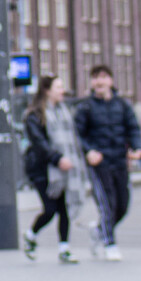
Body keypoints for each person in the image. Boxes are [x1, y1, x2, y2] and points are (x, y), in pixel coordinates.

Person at [74, 64, 141, 261]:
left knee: (122, 205)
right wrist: (89, 151)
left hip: (119, 161)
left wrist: (137, 147)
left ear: (111, 80)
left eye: (103, 77)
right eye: (95, 78)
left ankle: (99, 230)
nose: (99, 82)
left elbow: (133, 128)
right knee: (107, 204)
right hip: (99, 163)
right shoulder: (85, 107)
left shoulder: (122, 105)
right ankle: (110, 243)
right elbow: (78, 134)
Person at [21, 75, 83, 265]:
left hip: (61, 168)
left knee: (64, 208)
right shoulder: (34, 115)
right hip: (41, 168)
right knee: (50, 209)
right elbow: (39, 143)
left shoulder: (64, 112)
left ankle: (64, 249)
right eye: (58, 87)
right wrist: (57, 159)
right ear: (47, 91)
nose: (62, 91)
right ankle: (31, 234)